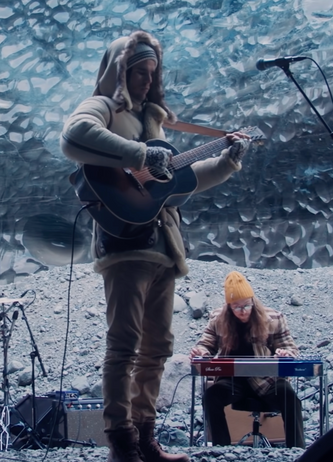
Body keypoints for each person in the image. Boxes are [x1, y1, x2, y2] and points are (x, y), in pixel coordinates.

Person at [60, 30, 251, 462]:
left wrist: (228, 160)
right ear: (119, 71)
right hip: (125, 246)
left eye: (152, 73)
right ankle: (120, 442)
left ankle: (146, 438)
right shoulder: (105, 107)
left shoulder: (157, 121)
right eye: (138, 72)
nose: (147, 80)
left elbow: (182, 181)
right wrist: (140, 155)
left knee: (158, 347)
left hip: (165, 246)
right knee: (124, 344)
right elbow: (74, 136)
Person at [190, 271, 304, 448]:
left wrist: (285, 353)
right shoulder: (217, 319)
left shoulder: (274, 318)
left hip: (267, 380)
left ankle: (296, 450)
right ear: (229, 307)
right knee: (211, 396)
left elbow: (291, 348)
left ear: (253, 301)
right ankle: (221, 449)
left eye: (246, 305)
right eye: (236, 307)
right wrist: (201, 352)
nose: (242, 311)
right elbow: (206, 344)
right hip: (232, 382)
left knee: (289, 396)